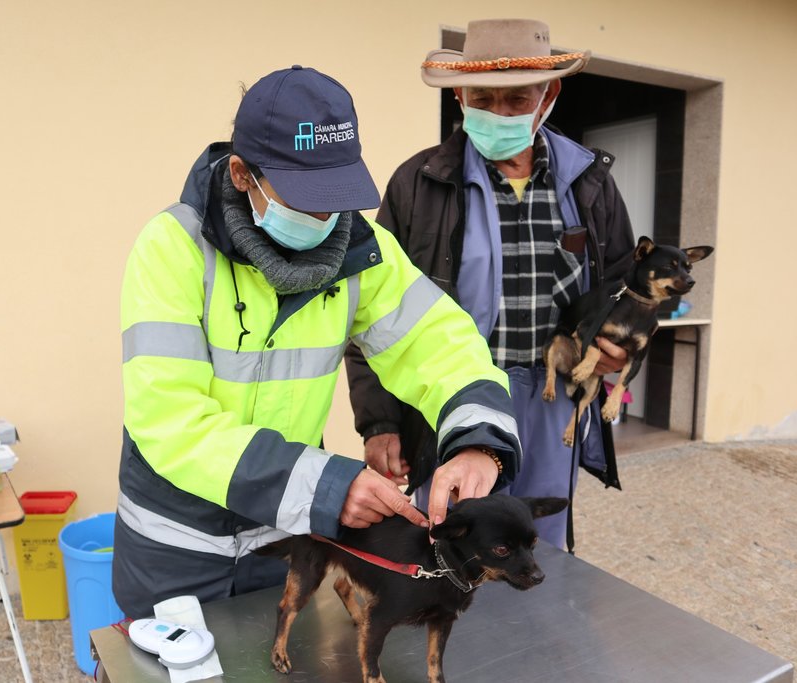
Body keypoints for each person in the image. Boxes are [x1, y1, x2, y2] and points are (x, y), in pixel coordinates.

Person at [113, 65, 523, 618]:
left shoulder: (362, 250)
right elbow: (170, 419)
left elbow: (440, 343)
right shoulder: (173, 248)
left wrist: (478, 443)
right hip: (177, 545)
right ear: (241, 174)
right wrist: (330, 488)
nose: (325, 217)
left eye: (337, 196)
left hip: (284, 534)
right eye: (305, 199)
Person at [345, 19, 636, 550]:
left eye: (517, 99)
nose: (499, 113)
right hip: (452, 394)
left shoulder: (589, 182)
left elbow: (621, 282)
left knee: (536, 540)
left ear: (550, 94)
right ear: (459, 95)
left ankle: (533, 635)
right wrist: (379, 422)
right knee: (449, 538)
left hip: (553, 397)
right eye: (483, 98)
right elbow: (368, 306)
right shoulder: (419, 183)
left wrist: (615, 342)